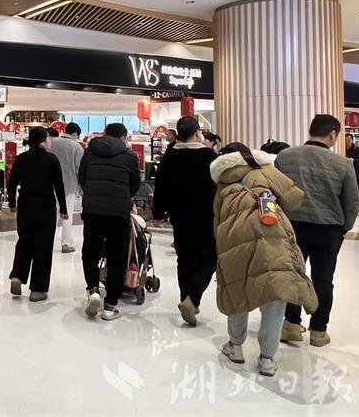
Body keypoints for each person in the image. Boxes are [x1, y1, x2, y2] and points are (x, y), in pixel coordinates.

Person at [211, 142, 317, 377]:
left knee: (237, 289)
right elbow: (295, 198)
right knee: (275, 291)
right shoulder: (265, 170)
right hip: (272, 235)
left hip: (233, 238)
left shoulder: (223, 181)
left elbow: (217, 218)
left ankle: (235, 346)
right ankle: (267, 359)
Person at [275, 114, 359, 346]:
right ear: (332, 134)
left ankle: (291, 325)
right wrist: (344, 228)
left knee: (292, 276)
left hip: (292, 227)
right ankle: (319, 331)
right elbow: (352, 201)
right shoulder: (343, 164)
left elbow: (276, 192)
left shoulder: (285, 157)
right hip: (328, 230)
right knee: (323, 280)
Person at [152, 116, 219, 325]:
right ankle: (193, 299)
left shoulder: (170, 155)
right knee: (209, 259)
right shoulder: (208, 155)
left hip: (179, 215)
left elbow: (160, 185)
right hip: (206, 215)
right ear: (197, 132)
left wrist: (158, 212)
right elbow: (218, 185)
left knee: (185, 258)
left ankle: (185, 298)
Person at [78, 122, 141, 321]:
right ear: (123, 137)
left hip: (92, 211)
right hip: (118, 214)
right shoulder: (130, 156)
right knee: (116, 259)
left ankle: (93, 290)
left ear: (105, 134)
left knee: (90, 253)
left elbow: (82, 178)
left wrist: (93, 194)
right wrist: (124, 198)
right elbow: (135, 184)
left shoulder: (89, 152)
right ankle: (110, 306)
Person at [7, 127, 67, 301]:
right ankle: (37, 290)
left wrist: (12, 203)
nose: (50, 141)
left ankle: (17, 276)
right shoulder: (51, 159)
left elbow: (12, 182)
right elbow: (59, 185)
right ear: (42, 141)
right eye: (48, 138)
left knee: (24, 241)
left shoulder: (21, 158)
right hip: (45, 205)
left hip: (25, 204)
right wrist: (63, 208)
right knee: (43, 246)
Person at [48, 123, 84, 253]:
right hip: (69, 185)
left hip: (51, 185)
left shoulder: (52, 142)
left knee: (52, 214)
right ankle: (66, 243)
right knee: (66, 215)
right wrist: (81, 187)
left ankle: (47, 241)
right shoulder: (76, 147)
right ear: (75, 134)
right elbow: (80, 169)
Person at [344, 133, 359, 212]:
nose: (347, 142)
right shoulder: (342, 150)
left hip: (357, 174)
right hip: (345, 174)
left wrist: (354, 160)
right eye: (345, 140)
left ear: (352, 140)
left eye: (348, 140)